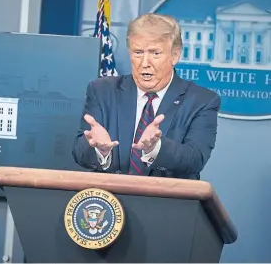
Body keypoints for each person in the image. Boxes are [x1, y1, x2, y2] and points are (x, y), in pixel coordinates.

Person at [72, 13, 220, 180]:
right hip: (110, 201)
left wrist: (155, 149)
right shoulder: (102, 91)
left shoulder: (201, 101)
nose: (145, 63)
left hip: (168, 202)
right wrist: (100, 150)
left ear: (175, 55)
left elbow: (195, 159)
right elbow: (79, 153)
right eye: (138, 52)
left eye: (155, 53)